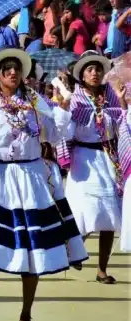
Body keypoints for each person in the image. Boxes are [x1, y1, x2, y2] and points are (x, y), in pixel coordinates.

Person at [0, 48, 87, 321]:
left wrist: (54, 113)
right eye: (7, 70)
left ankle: (26, 315)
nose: (13, 73)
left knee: (34, 248)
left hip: (32, 177)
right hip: (0, 180)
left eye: (16, 69)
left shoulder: (37, 104)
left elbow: (54, 136)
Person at [62, 51, 124, 284]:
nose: (95, 73)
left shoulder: (112, 96)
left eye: (98, 69)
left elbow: (122, 121)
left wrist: (122, 101)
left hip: (107, 156)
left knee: (110, 214)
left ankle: (101, 269)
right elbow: (68, 130)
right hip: (83, 159)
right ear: (82, 75)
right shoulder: (76, 100)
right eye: (90, 69)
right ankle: (75, 251)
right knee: (86, 212)